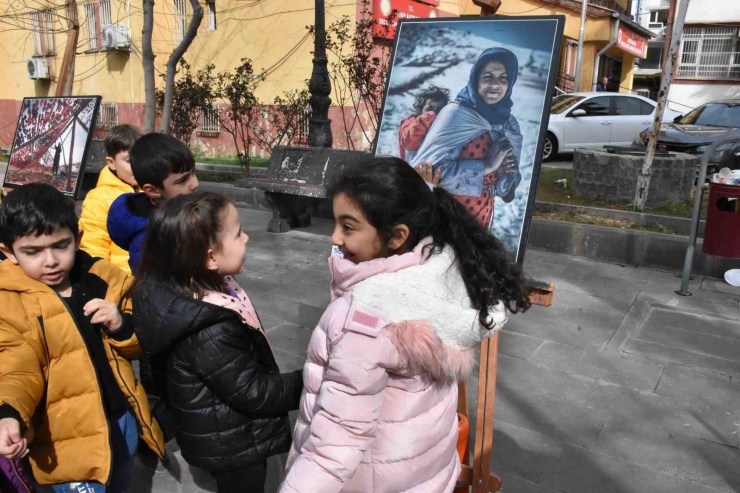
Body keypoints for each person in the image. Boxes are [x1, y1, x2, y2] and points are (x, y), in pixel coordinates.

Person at [279, 157, 530, 493]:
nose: (335, 238)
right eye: (335, 223)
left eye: (349, 227)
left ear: (397, 236)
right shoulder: (443, 271)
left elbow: (334, 445)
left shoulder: (365, 319)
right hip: (426, 475)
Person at [131, 192, 303, 493]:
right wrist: (308, 379)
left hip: (215, 424)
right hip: (234, 442)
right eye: (237, 235)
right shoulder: (209, 329)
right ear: (210, 257)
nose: (246, 238)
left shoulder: (185, 286)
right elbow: (254, 392)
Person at [0, 183, 164, 493]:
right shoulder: (8, 300)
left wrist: (121, 325)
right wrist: (9, 413)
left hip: (119, 416)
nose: (50, 260)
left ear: (77, 239)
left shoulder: (105, 278)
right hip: (65, 435)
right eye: (32, 252)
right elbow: (14, 366)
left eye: (60, 246)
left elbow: (139, 343)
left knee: (120, 478)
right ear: (9, 252)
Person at [409, 48, 523, 230]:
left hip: (482, 218)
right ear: (475, 79)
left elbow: (506, 189)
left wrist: (503, 174)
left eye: (503, 78)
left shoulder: (508, 124)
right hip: (446, 217)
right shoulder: (456, 114)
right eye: (488, 76)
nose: (496, 84)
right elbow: (426, 172)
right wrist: (487, 166)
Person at [107, 132, 199, 275]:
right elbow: (157, 293)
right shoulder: (148, 242)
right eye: (182, 180)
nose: (195, 184)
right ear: (153, 190)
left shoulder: (188, 207)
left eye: (193, 172)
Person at [79, 124, 141, 274]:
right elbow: (94, 250)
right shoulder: (98, 199)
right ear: (111, 163)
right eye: (129, 160)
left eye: (141, 158)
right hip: (120, 283)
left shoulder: (152, 190)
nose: (138, 165)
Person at [398, 85, 450, 161]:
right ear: (420, 110)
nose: (434, 113)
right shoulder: (410, 123)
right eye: (429, 109)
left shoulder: (445, 127)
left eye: (439, 110)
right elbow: (409, 141)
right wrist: (430, 116)